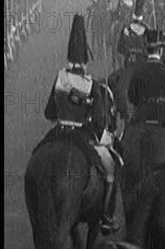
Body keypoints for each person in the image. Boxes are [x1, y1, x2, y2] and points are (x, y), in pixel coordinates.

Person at [44, 14, 121, 234]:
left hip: (57, 133)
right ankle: (106, 216)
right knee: (110, 168)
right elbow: (98, 122)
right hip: (81, 136)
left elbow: (48, 112)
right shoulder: (91, 84)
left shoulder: (60, 78)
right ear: (85, 59)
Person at [127, 29, 165, 131]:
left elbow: (131, 96)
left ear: (146, 51)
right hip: (164, 116)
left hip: (142, 114)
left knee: (128, 136)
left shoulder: (138, 70)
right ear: (160, 51)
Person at [117, 0, 151, 67]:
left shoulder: (126, 28)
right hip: (142, 68)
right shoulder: (147, 30)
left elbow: (120, 49)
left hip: (129, 65)